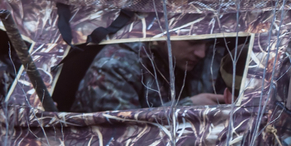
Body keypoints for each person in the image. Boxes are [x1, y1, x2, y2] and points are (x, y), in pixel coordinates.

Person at [71, 39, 227, 113]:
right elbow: (120, 135)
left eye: (207, 44)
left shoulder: (210, 58)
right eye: (192, 42)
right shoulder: (115, 66)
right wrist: (188, 107)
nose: (201, 53)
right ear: (162, 36)